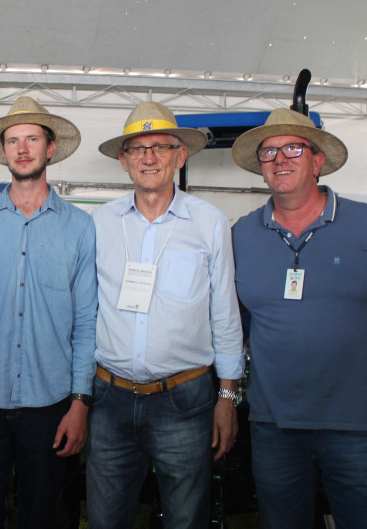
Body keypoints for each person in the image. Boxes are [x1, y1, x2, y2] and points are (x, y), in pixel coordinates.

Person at [230, 108, 367, 528]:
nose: (279, 159)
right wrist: (225, 396)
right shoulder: (241, 235)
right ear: (261, 168)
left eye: (293, 148)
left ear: (317, 161)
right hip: (274, 425)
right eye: (269, 152)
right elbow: (225, 319)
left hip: (358, 426)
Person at [86, 102, 245, 529]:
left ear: (181, 155)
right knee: (105, 519)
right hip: (110, 399)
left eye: (161, 146)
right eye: (138, 149)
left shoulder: (210, 223)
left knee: (185, 520)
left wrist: (228, 398)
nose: (149, 157)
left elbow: (225, 314)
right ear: (124, 161)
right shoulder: (100, 223)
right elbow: (86, 311)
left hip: (184, 401)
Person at [0, 97, 97, 529]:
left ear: (50, 148)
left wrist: (80, 403)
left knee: (44, 516)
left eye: (32, 139)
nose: (22, 149)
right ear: (3, 152)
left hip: (51, 405)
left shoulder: (80, 226)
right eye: (13, 141)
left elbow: (86, 322)